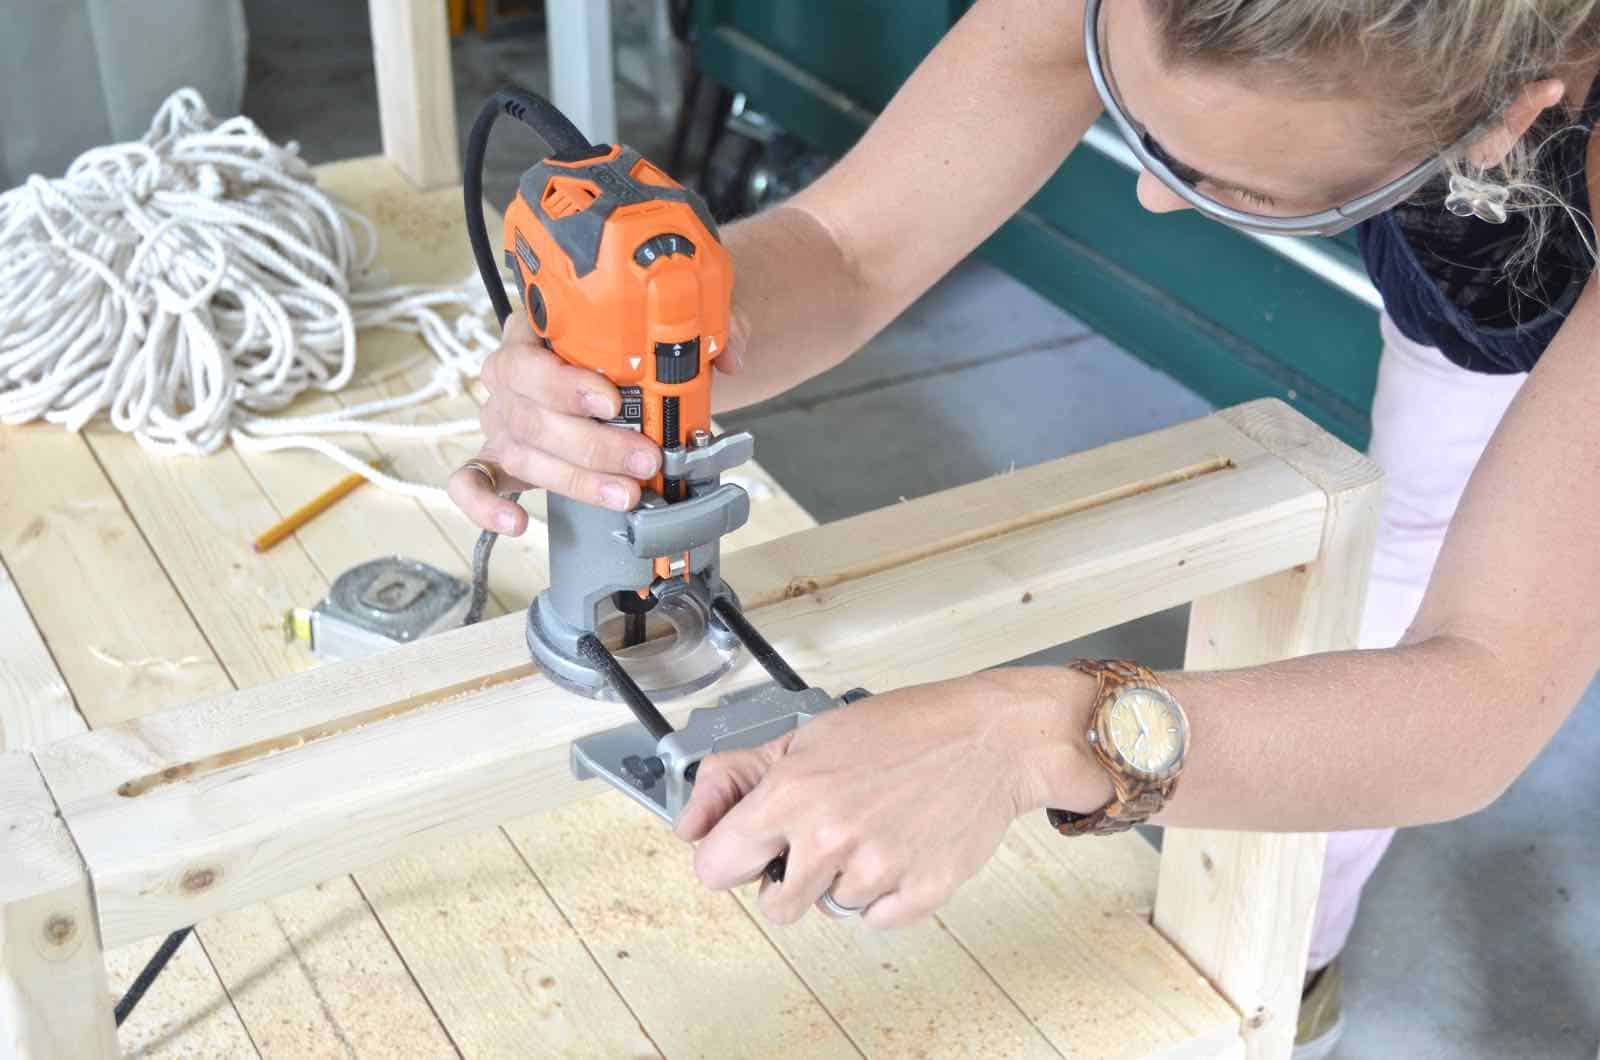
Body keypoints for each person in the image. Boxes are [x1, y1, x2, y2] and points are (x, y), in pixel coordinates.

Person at [448, 2, 1600, 1054]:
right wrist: (666, 345)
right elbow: (851, 252)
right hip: (1475, 294)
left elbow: (1483, 695)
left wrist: (1030, 734)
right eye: (1137, 120)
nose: (1151, 193)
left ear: (1509, 110)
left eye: (1226, 185)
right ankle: (1282, 970)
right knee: (1396, 565)